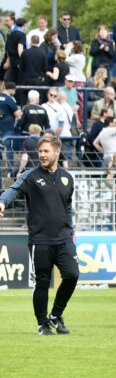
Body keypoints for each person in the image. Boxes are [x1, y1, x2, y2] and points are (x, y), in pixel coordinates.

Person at [0, 134, 78, 335]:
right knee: (42, 282)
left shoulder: (67, 178)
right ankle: (42, 324)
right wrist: (2, 202)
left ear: (57, 152)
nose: (42, 155)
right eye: (40, 151)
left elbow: (67, 207)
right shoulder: (30, 176)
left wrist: (71, 230)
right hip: (40, 240)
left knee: (72, 275)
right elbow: (13, 190)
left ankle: (56, 315)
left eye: (46, 151)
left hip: (63, 238)